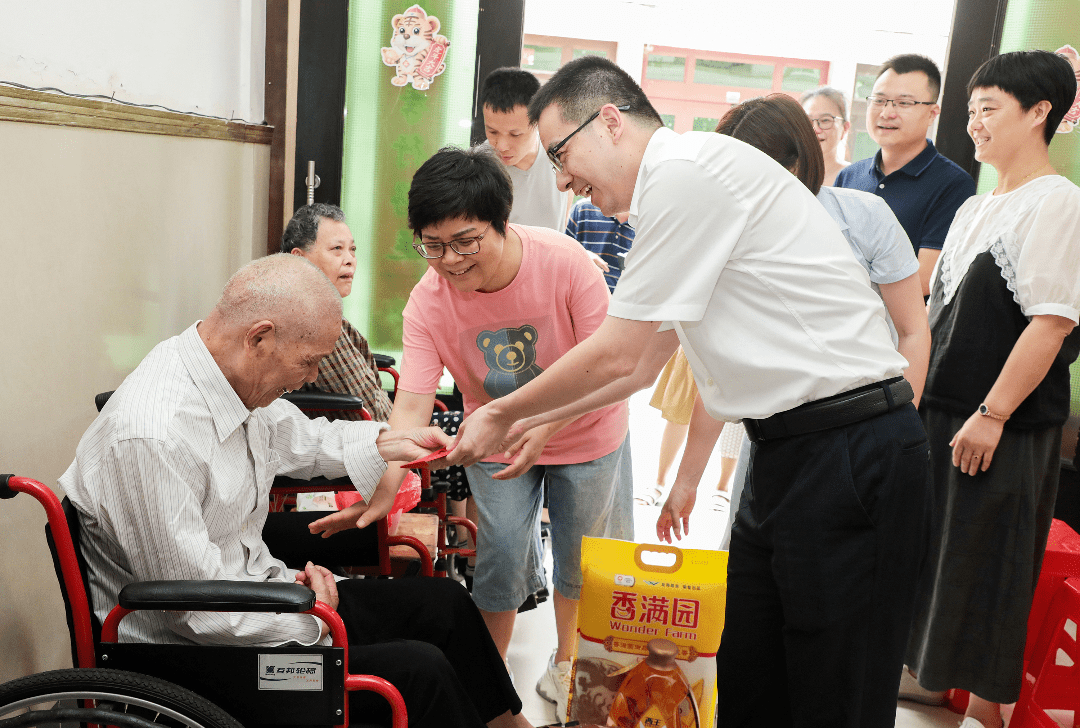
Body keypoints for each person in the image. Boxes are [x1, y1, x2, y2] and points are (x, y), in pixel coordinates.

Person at [447, 55, 931, 728]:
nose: (561, 179)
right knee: (748, 675)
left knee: (832, 690)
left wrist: (500, 412)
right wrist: (545, 420)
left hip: (848, 449)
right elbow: (644, 361)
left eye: (561, 153)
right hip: (789, 453)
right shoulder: (679, 188)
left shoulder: (686, 176)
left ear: (609, 121)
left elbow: (619, 349)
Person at [59, 254, 530, 728]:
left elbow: (303, 438)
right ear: (259, 337)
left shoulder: (224, 373)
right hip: (198, 662)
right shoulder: (153, 436)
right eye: (308, 362)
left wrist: (392, 442)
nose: (309, 378)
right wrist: (315, 617)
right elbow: (193, 615)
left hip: (254, 605)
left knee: (444, 604)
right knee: (417, 674)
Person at [310, 146, 633, 723]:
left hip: (587, 428)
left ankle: (570, 666)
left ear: (501, 221)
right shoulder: (428, 302)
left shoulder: (566, 264)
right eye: (431, 246)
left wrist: (548, 421)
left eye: (465, 242)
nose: (449, 261)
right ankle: (486, 682)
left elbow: (612, 366)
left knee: (581, 562)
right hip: (499, 438)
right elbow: (408, 407)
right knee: (502, 554)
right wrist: (385, 488)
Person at [657, 93, 930, 558]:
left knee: (834, 600)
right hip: (772, 433)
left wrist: (899, 427)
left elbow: (912, 330)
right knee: (751, 585)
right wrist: (686, 481)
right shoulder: (724, 233)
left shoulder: (861, 216)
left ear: (799, 161)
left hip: (858, 432)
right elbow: (719, 368)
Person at [903, 50, 1080, 728]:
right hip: (946, 413)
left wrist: (992, 412)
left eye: (989, 110)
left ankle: (987, 718)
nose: (974, 124)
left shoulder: (1059, 203)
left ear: (1040, 113)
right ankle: (948, 702)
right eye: (971, 110)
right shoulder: (978, 204)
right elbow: (938, 317)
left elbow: (1053, 322)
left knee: (990, 576)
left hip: (1000, 424)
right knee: (944, 571)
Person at [835, 54, 977, 296]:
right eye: (879, 100)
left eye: (904, 103)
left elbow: (925, 278)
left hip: (896, 328)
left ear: (933, 113)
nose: (887, 112)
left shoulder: (953, 184)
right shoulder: (849, 176)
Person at [281, 203, 392, 423]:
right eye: (337, 249)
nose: (350, 259)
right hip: (374, 441)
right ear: (299, 259)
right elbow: (370, 410)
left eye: (352, 249)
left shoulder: (319, 307)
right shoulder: (312, 320)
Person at [480, 66, 572, 230]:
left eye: (515, 134)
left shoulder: (561, 154)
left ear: (538, 121)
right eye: (492, 131)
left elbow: (566, 197)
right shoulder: (476, 169)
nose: (501, 146)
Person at [564, 198, 635, 291]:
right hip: (577, 298)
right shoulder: (582, 209)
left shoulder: (645, 225)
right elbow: (558, 256)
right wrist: (581, 257)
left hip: (620, 303)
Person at [801, 86, 851, 186]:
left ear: (845, 128)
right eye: (807, 121)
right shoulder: (785, 174)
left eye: (825, 120)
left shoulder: (854, 178)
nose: (815, 129)